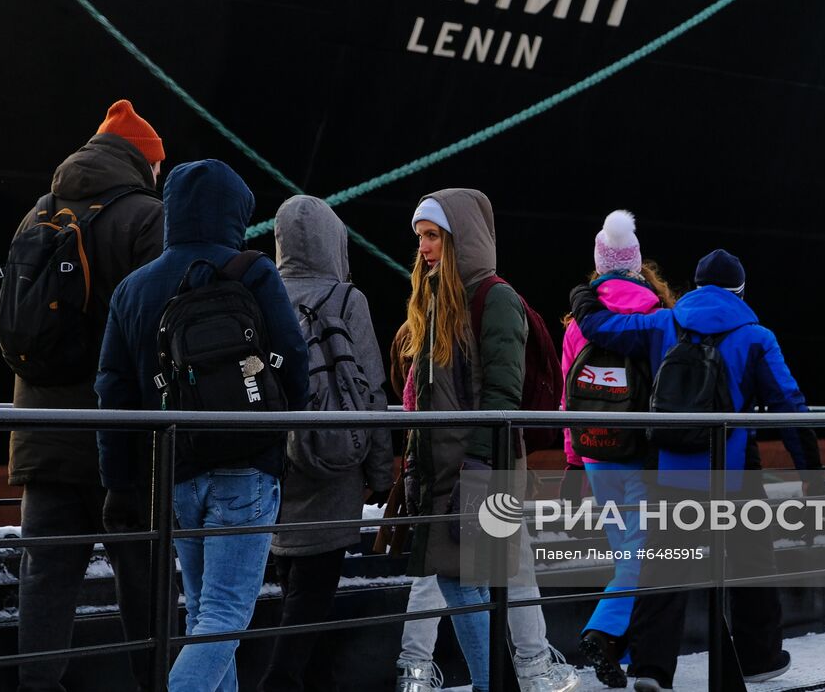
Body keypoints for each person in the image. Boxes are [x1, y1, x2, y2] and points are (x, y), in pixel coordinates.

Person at [95, 159, 308, 692]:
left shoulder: (133, 289)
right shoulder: (253, 272)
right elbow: (294, 360)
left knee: (202, 620)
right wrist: (275, 431)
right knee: (224, 619)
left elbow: (112, 394)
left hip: (177, 472)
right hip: (247, 468)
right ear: (234, 211)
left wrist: (119, 481)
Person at [572, 248, 825, 690]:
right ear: (740, 291)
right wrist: (813, 478)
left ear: (695, 286)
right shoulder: (756, 336)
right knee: (752, 562)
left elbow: (597, 325)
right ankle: (759, 658)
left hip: (669, 470)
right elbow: (790, 406)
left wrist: (585, 290)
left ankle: (651, 668)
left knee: (663, 565)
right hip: (733, 473)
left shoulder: (663, 324)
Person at [8, 99, 165, 692]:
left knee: (45, 577)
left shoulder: (38, 214)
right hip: (118, 440)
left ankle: (37, 686)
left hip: (42, 433)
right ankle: (154, 683)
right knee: (142, 576)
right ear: (143, 162)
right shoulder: (148, 218)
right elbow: (156, 330)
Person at [398, 189, 577, 692]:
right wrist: (414, 464)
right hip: (443, 465)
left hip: (477, 464)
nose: (424, 248)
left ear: (460, 239)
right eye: (420, 238)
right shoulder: (436, 295)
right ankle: (506, 676)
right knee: (462, 579)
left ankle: (499, 679)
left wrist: (478, 464)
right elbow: (425, 396)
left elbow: (503, 390)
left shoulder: (494, 298)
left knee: (465, 579)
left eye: (433, 236)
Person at [260, 195, 393, 692]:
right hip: (335, 467)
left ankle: (311, 681)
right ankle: (279, 680)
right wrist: (380, 471)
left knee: (295, 587)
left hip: (277, 465)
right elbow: (372, 390)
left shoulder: (264, 292)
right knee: (313, 595)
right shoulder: (346, 300)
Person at [559, 210, 675, 688]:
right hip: (640, 452)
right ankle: (601, 631)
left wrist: (572, 461)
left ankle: (615, 647)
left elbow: (566, 399)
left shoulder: (575, 325)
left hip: (594, 450)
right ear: (636, 264)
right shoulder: (658, 315)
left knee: (627, 551)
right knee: (642, 555)